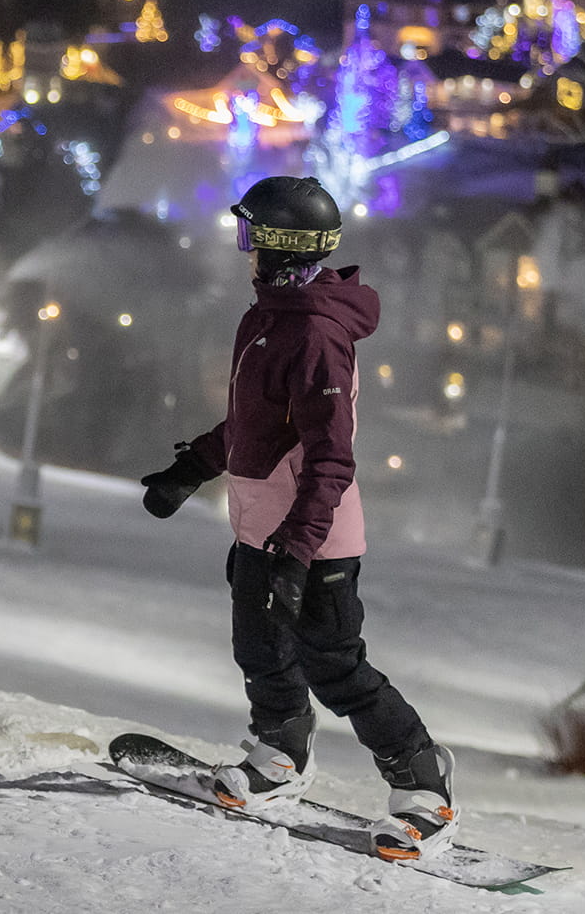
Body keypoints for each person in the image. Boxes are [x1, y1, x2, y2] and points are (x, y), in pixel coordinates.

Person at [138, 175, 459, 862]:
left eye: (251, 234)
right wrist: (190, 468)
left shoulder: (314, 334)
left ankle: (424, 785)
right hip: (261, 528)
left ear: (281, 246)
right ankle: (280, 755)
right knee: (259, 651)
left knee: (336, 666)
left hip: (314, 539)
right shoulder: (268, 317)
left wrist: (298, 550)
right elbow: (256, 425)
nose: (242, 246)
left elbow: (330, 458)